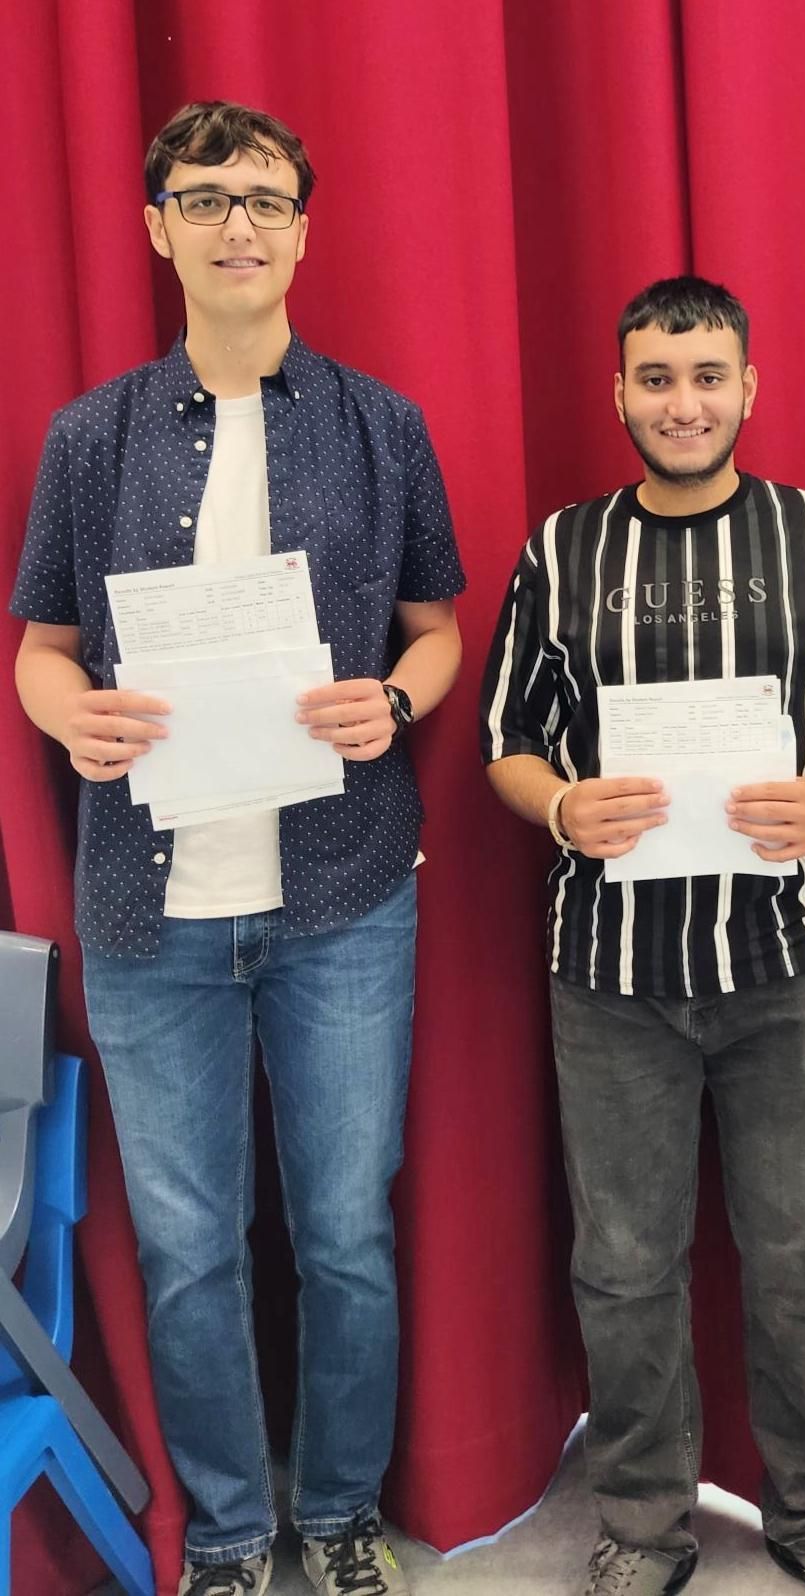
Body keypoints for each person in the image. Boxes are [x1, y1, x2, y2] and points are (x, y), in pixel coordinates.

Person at [11, 101, 466, 1596]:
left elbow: (438, 629)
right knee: (190, 1250)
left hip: (343, 896)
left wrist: (396, 701)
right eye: (205, 199)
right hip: (152, 910)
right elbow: (41, 650)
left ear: (303, 230)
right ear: (159, 229)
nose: (237, 225)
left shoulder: (383, 425)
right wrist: (72, 715)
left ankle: (336, 1516)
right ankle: (224, 1534)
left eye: (264, 199)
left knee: (345, 1236)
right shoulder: (92, 438)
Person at [480, 276, 805, 1596]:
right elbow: (506, 740)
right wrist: (560, 805)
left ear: (749, 388)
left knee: (804, 1267)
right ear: (619, 393)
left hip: (790, 965)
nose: (685, 403)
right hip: (611, 975)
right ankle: (642, 1525)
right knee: (623, 1270)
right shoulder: (561, 551)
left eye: (709, 375)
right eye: (658, 378)